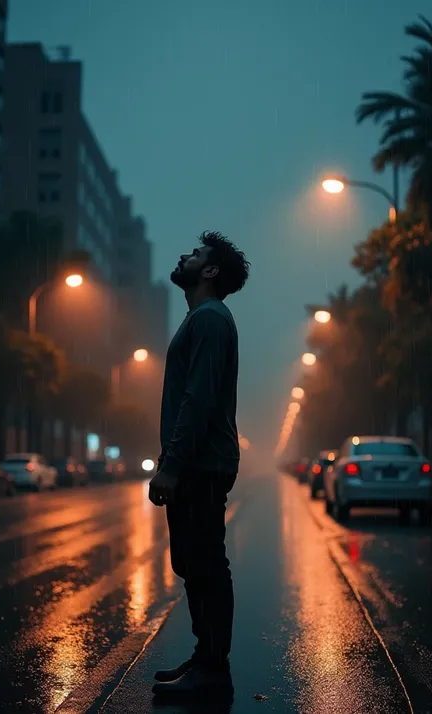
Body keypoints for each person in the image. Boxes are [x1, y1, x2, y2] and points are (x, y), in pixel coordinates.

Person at [149, 231, 250, 697]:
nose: (184, 256)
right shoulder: (201, 319)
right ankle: (204, 658)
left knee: (206, 562)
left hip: (202, 464)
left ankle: (213, 669)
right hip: (196, 461)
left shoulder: (209, 319)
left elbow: (199, 399)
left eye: (195, 254)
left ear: (209, 272)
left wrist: (173, 464)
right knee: (192, 561)